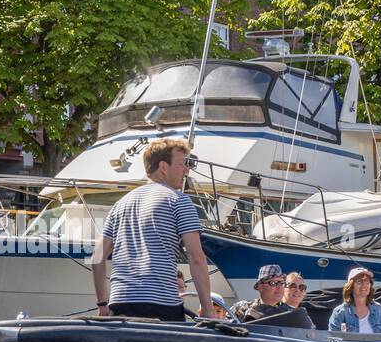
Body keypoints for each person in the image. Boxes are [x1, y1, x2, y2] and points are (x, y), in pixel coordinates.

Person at [91, 138, 218, 321]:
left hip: (120, 304)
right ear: (163, 167)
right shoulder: (178, 201)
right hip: (161, 304)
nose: (187, 170)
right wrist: (207, 310)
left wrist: (103, 305)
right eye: (182, 164)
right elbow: (196, 258)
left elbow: (97, 257)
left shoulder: (120, 205)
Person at [230, 264, 313, 328]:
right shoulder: (241, 309)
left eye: (281, 283)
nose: (279, 287)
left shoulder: (292, 314)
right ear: (260, 287)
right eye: (273, 283)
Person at [327, 266, 381, 334]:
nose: (364, 285)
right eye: (359, 282)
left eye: (367, 281)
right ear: (351, 287)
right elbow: (333, 339)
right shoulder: (340, 312)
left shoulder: (379, 309)